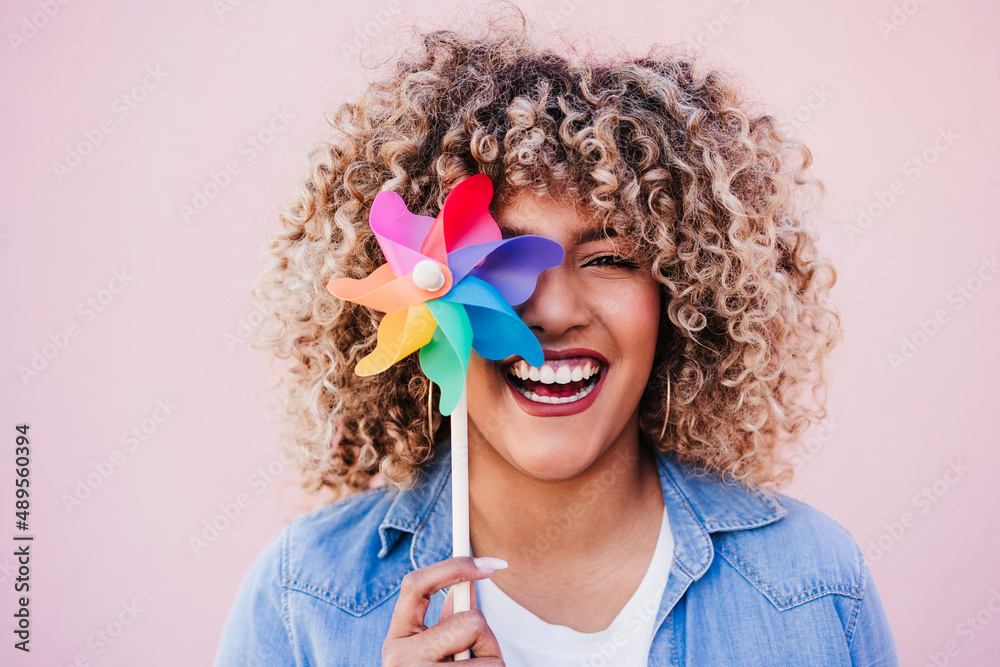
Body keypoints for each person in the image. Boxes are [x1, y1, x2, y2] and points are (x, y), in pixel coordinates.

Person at [214, 15, 899, 667]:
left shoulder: (815, 586)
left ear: (684, 296)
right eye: (499, 260)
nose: (554, 310)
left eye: (608, 258)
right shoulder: (301, 597)